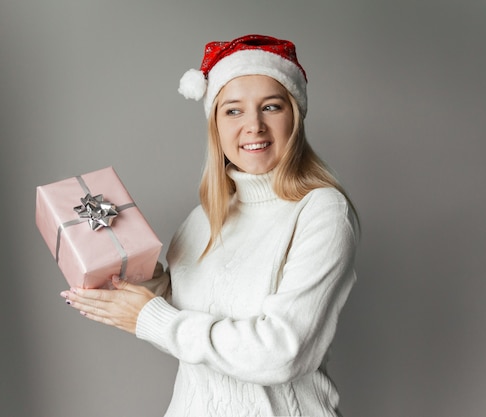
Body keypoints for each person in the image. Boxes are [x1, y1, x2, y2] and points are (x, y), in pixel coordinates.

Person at [61, 34, 359, 417]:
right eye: (233, 111)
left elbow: (283, 352)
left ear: (295, 118)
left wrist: (149, 317)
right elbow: (178, 312)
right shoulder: (202, 218)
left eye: (271, 107)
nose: (254, 125)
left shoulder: (321, 211)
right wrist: (128, 272)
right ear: (215, 125)